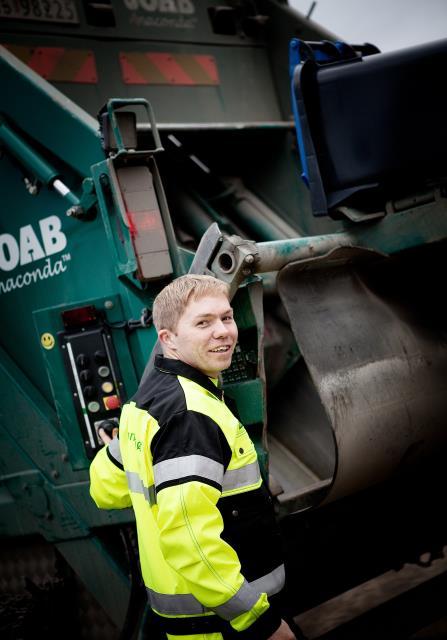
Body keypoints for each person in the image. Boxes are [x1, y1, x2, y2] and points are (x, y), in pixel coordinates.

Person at [90, 274, 298, 639]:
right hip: (224, 623)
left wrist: (118, 447)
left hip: (191, 618)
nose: (224, 332)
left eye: (227, 317)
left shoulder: (145, 402)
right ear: (168, 339)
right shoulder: (190, 414)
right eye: (203, 322)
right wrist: (258, 621)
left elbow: (105, 490)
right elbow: (189, 538)